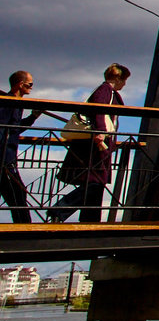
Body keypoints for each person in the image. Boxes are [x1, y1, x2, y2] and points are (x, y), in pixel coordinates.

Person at [50, 63, 129, 224]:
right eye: (124, 79)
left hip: (94, 143)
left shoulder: (105, 90)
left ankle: (90, 220)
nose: (125, 84)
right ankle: (62, 209)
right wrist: (100, 131)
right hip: (95, 145)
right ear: (118, 78)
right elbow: (99, 110)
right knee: (95, 182)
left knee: (95, 183)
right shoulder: (106, 90)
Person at [1, 71, 41, 224]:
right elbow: (3, 128)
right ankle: (24, 232)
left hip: (7, 159)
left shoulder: (15, 103)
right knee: (18, 196)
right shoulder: (9, 103)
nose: (31, 87)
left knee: (17, 196)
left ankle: (23, 229)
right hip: (5, 160)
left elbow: (14, 128)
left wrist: (33, 117)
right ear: (20, 84)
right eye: (30, 84)